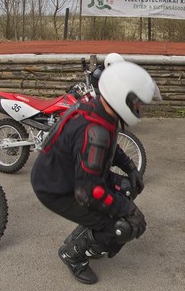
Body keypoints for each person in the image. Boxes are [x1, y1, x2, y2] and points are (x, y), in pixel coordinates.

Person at [31, 61, 161, 284]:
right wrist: (128, 210)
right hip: (56, 187)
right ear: (122, 97)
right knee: (124, 228)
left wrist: (130, 167)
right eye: (136, 100)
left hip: (72, 173)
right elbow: (88, 192)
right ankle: (73, 254)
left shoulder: (100, 109)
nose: (139, 106)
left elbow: (111, 143)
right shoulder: (94, 132)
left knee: (129, 189)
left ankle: (90, 232)